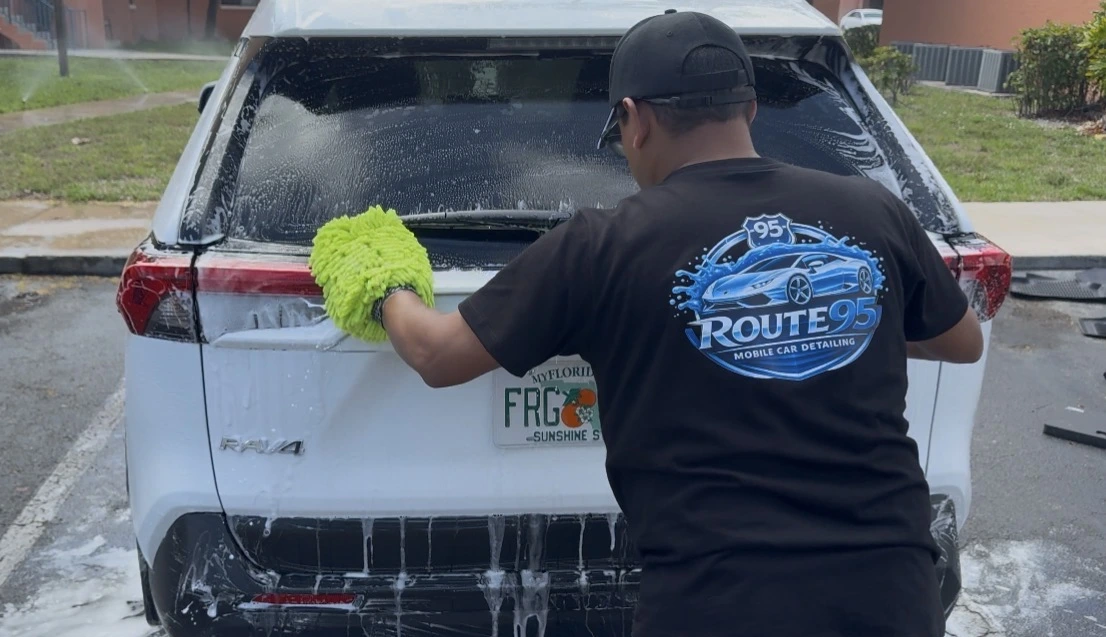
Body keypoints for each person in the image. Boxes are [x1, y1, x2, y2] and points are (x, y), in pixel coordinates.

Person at [373, 10, 982, 637]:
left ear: (636, 120)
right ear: (749, 110)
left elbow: (436, 354)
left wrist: (384, 275)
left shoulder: (602, 246)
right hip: (891, 595)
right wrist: (817, 324)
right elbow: (962, 341)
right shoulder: (871, 210)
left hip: (714, 603)